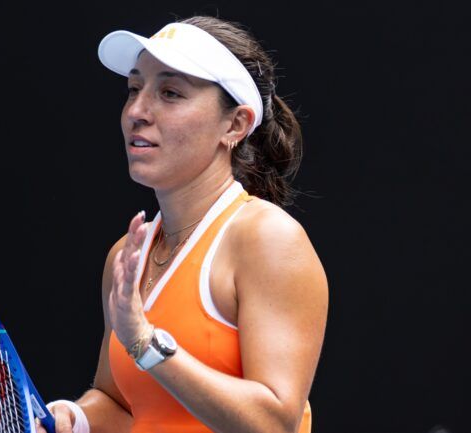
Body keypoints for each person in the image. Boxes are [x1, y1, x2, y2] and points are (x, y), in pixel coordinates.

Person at [38, 16, 328, 433]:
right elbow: (122, 405)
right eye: (134, 89)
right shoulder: (126, 256)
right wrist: (75, 417)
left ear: (235, 125)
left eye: (170, 93)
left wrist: (145, 342)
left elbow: (273, 424)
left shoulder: (267, 238)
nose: (137, 111)